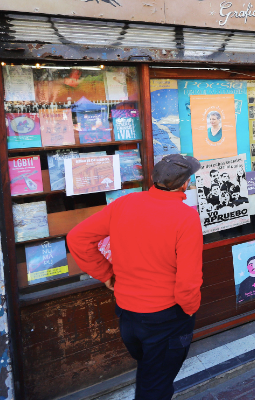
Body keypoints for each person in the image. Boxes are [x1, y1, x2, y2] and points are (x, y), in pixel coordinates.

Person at [66, 154, 204, 400]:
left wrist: (105, 274)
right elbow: (188, 278)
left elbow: (77, 238)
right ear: (184, 184)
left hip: (128, 317)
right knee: (155, 387)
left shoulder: (124, 204)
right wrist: (190, 309)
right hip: (165, 317)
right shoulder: (186, 217)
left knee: (150, 373)